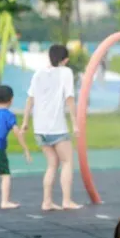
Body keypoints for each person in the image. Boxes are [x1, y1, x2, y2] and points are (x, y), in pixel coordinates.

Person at [21, 44, 82, 211]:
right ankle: (67, 200)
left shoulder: (38, 73)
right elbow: (69, 98)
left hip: (40, 129)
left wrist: (25, 122)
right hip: (57, 128)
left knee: (52, 164)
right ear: (65, 60)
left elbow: (30, 99)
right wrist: (75, 124)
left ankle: (47, 202)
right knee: (67, 162)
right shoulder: (66, 72)